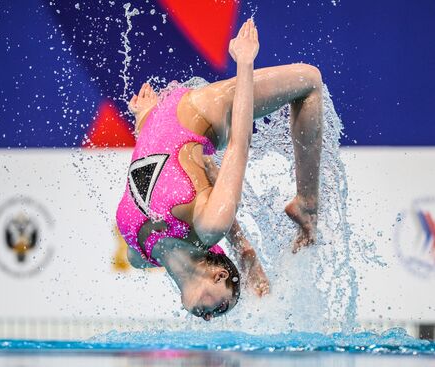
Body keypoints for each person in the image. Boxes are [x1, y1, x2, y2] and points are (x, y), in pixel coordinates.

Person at [116, 19, 323, 321]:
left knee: (209, 193)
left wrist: (145, 122)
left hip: (159, 123)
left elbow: (146, 176)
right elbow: (239, 143)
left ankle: (296, 213)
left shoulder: (138, 256)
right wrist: (245, 63)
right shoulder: (207, 227)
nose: (211, 317)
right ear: (217, 277)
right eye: (222, 307)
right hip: (197, 114)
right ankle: (307, 204)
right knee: (310, 80)